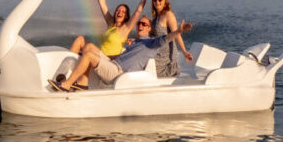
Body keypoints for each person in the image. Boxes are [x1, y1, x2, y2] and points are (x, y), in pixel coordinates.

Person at [51, 19, 194, 92]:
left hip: (117, 73)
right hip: (114, 65)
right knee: (88, 46)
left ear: (149, 28)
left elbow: (167, 37)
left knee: (88, 55)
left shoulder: (152, 42)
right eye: (139, 24)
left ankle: (66, 84)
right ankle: (83, 83)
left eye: (144, 24)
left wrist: (179, 31)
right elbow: (122, 57)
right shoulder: (136, 42)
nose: (140, 26)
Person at [69, 0, 152, 58]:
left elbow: (138, 12)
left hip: (109, 58)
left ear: (126, 16)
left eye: (123, 12)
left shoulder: (125, 28)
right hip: (100, 55)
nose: (120, 12)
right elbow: (102, 4)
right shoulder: (110, 23)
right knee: (80, 40)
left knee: (88, 47)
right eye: (118, 10)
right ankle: (65, 68)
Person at [149, 0, 193, 77]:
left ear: (165, 1)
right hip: (157, 51)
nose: (157, 2)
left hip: (167, 57)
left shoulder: (168, 15)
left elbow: (177, 34)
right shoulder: (156, 17)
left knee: (147, 64)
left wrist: (184, 52)